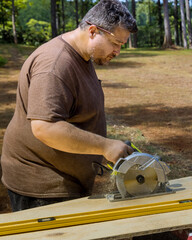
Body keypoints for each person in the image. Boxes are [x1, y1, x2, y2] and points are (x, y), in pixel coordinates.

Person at [0, 0, 137, 212]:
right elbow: (46, 127)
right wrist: (104, 146)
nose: (118, 51)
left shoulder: (82, 55)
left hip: (64, 181)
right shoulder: (55, 64)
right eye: (116, 43)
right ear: (93, 31)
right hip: (42, 187)